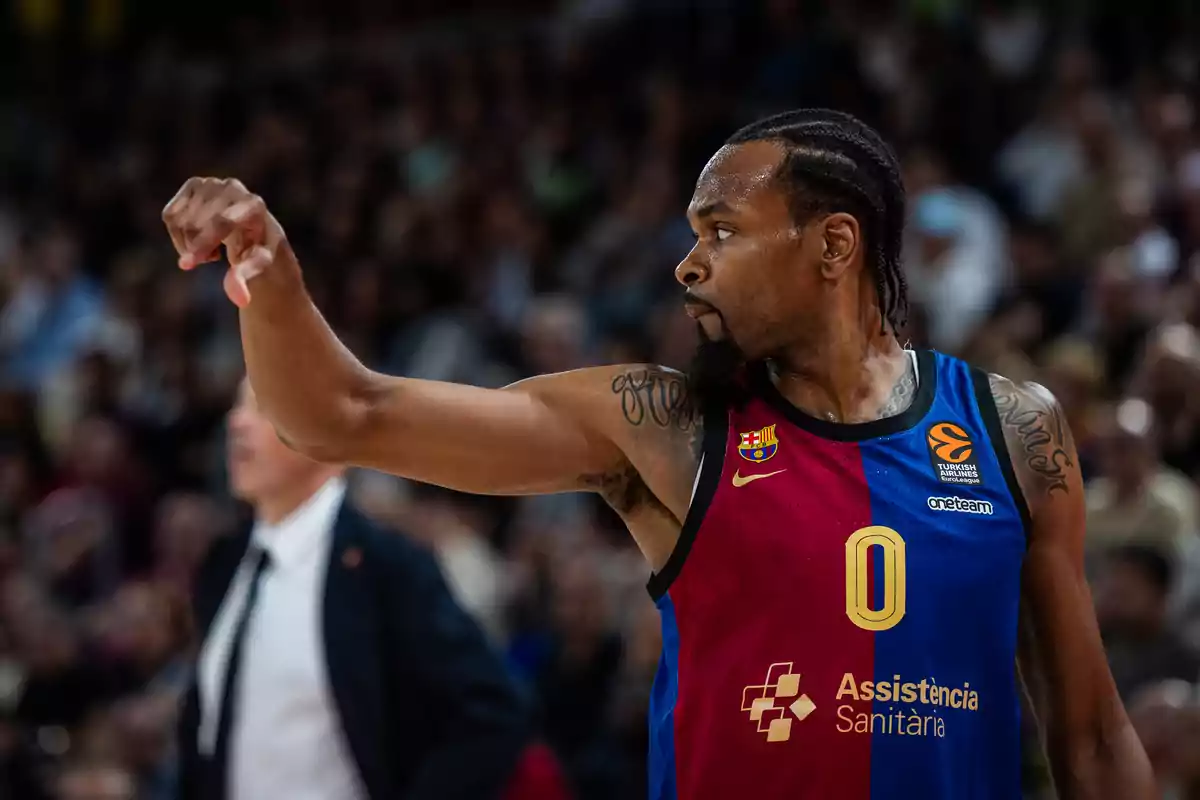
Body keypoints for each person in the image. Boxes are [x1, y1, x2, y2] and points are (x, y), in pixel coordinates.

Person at [162, 108, 1154, 799]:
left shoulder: (1016, 431)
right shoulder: (667, 426)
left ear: (835, 245)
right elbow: (345, 412)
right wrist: (271, 273)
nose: (689, 261)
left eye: (723, 229)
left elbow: (1095, 735)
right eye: (692, 231)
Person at [175, 379, 532, 800]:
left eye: (263, 407)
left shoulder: (385, 568)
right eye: (236, 406)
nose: (236, 422)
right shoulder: (226, 564)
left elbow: (495, 713)